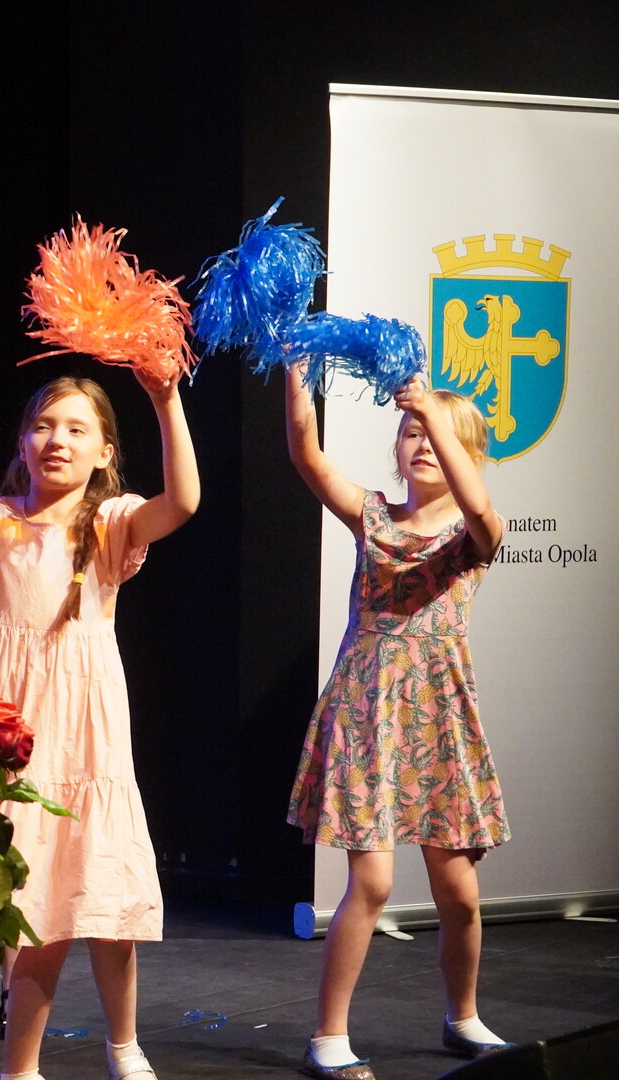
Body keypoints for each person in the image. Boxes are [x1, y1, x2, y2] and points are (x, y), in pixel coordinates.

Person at [0, 371, 200, 1080]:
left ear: (104, 452)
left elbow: (183, 502)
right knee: (23, 899)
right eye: (44, 426)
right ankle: (18, 1066)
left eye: (77, 429)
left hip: (80, 726)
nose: (57, 440)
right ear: (22, 441)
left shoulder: (109, 524)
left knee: (100, 890)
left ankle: (123, 1044)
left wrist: (165, 400)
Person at [283, 365, 510, 1080]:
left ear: (467, 454)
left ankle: (463, 1016)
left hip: (438, 713)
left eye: (437, 436)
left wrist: (433, 410)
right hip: (368, 707)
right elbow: (306, 455)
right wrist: (295, 376)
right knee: (373, 883)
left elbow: (478, 507)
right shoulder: (374, 516)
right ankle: (328, 1035)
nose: (422, 444)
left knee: (459, 891)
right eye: (410, 432)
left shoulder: (475, 532)